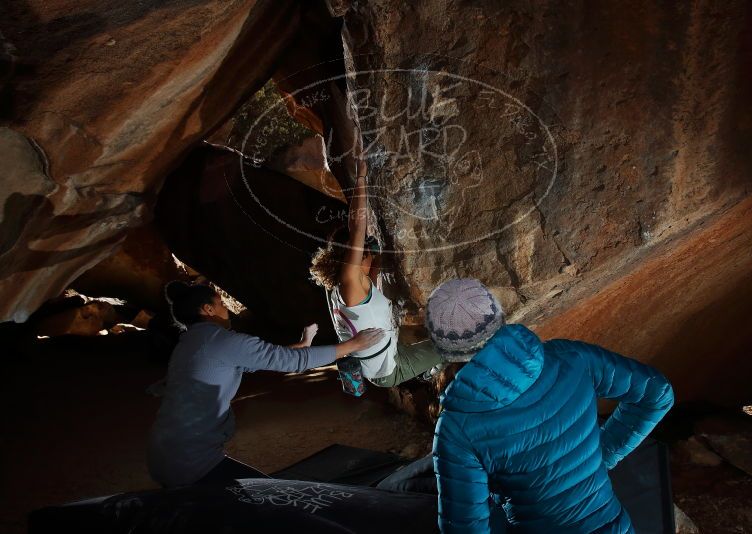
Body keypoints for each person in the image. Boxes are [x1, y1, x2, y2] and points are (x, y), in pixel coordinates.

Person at [427, 278, 675, 533]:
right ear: (498, 318)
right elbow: (657, 393)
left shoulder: (455, 429)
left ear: (443, 351)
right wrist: (602, 456)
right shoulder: (571, 357)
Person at [146, 280, 384, 488]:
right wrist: (351, 346)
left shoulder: (189, 344)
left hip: (163, 453)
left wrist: (303, 344)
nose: (227, 309)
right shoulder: (222, 340)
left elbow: (265, 359)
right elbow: (290, 362)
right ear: (208, 309)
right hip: (190, 460)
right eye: (220, 304)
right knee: (270, 501)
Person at [310, 158, 442, 388]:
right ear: (356, 254)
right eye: (366, 249)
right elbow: (357, 228)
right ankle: (432, 367)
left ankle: (428, 365)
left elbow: (374, 268)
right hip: (389, 370)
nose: (370, 251)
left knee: (425, 332)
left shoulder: (352, 287)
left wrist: (380, 253)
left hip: (386, 352)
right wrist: (361, 179)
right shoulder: (349, 283)